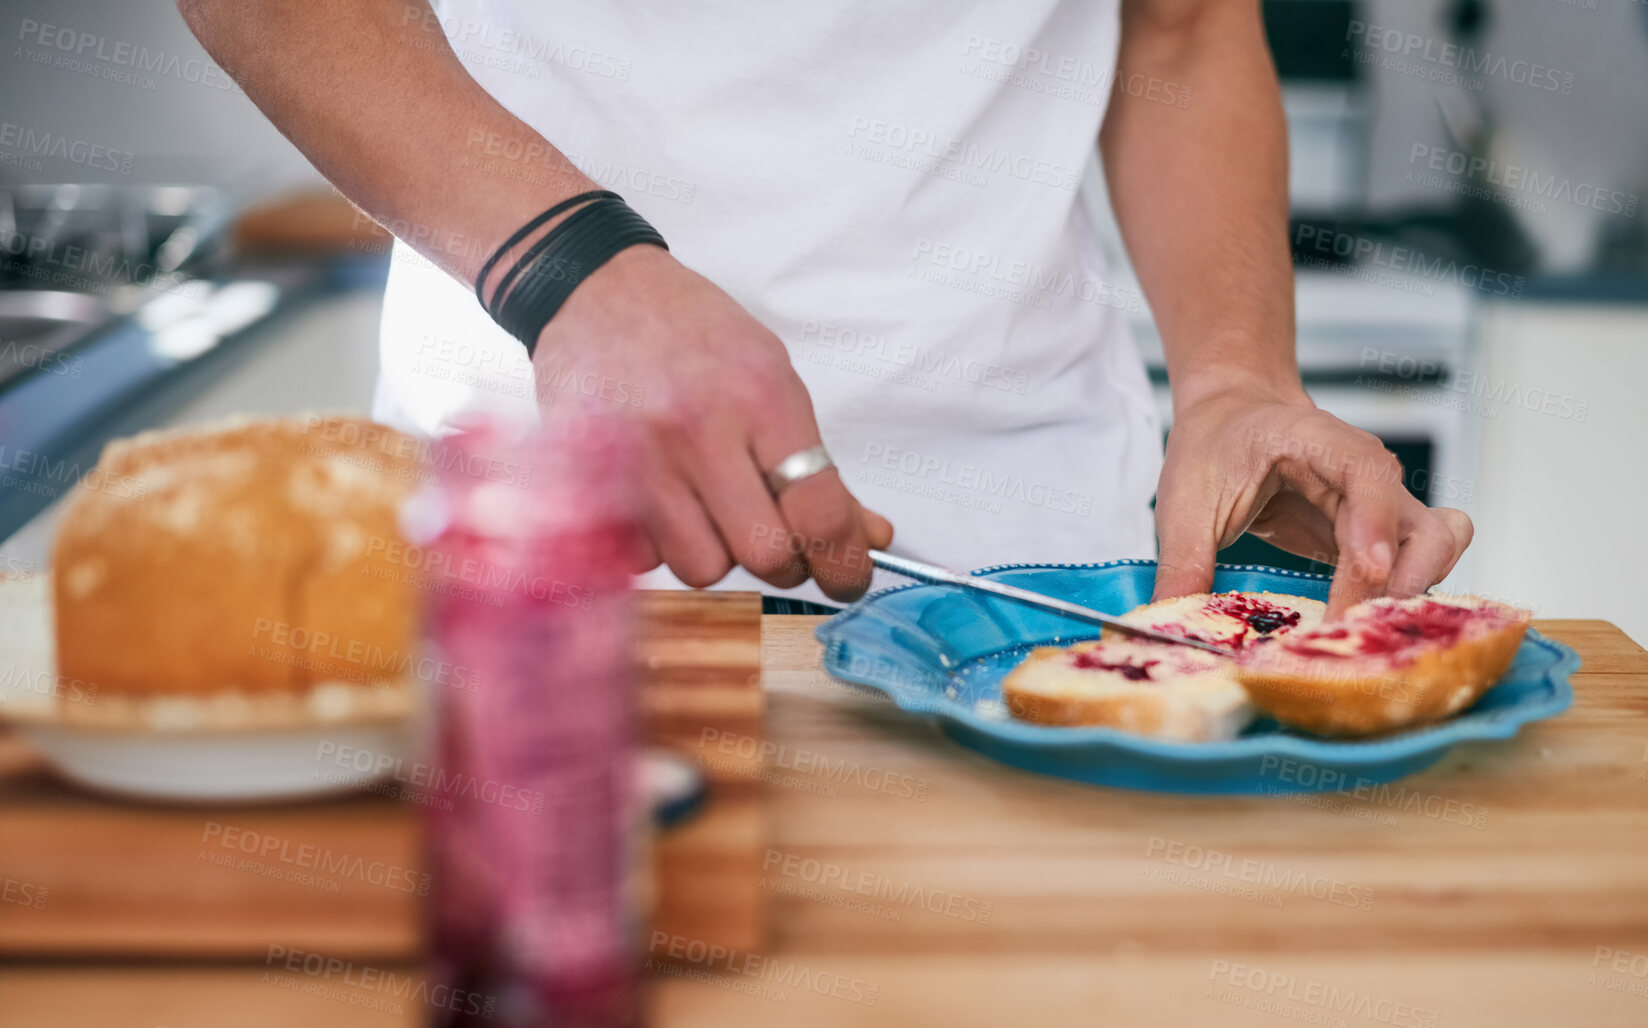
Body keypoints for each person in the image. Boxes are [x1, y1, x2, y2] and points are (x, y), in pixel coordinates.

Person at [181, 0, 1471, 616]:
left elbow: (1184, 29)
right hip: (541, 561)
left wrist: (1238, 379)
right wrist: (570, 270)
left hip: (1040, 586)